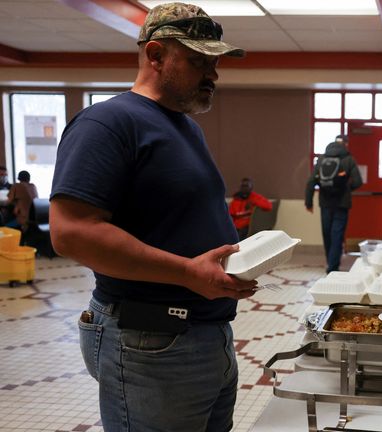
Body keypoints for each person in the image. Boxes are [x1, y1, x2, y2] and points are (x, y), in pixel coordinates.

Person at [49, 4, 256, 431]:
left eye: (214, 63)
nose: (212, 74)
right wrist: (187, 273)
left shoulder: (184, 127)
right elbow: (71, 233)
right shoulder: (108, 123)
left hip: (206, 333)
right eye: (199, 61)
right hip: (151, 340)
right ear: (156, 55)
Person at [305, 134, 362, 273]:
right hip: (342, 203)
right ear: (346, 144)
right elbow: (357, 182)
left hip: (325, 203)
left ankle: (330, 262)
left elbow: (311, 181)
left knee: (327, 234)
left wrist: (309, 202)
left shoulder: (322, 158)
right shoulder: (349, 159)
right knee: (337, 234)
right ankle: (333, 266)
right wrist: (347, 189)